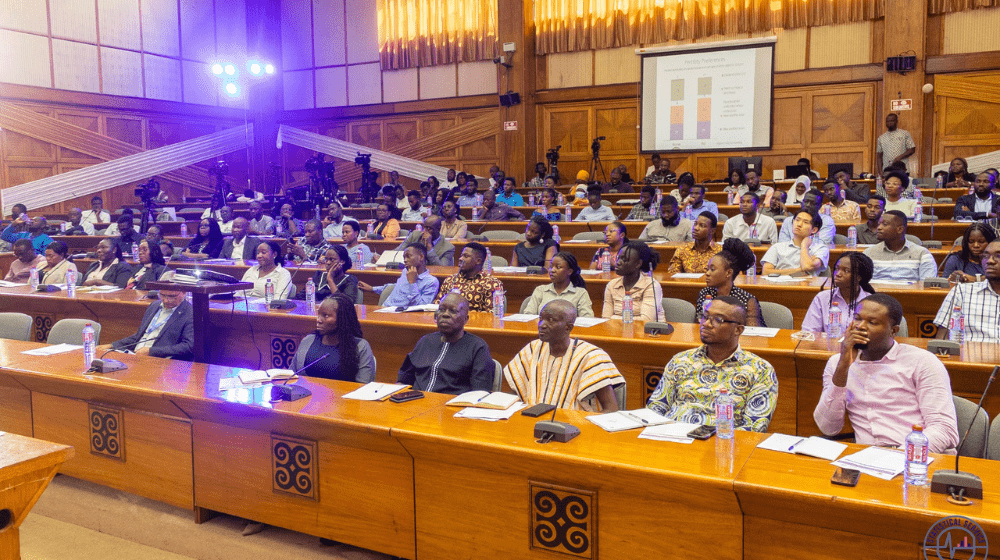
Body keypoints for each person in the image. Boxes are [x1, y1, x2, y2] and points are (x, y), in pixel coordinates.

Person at [814, 294, 958, 452]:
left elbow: (944, 429)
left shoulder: (922, 362)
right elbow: (828, 427)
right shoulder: (837, 363)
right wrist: (843, 367)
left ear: (893, 331)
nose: (860, 326)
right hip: (866, 457)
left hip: (915, 458)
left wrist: (901, 455)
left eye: (872, 322)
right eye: (857, 318)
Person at [647, 295, 777, 431]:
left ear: (738, 330)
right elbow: (654, 410)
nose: (706, 324)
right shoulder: (681, 360)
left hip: (722, 445)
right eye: (705, 316)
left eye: (718, 320)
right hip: (671, 439)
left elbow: (753, 429)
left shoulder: (760, 370)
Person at [505, 300, 623, 412]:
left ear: (568, 328)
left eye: (551, 320)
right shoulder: (531, 349)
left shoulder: (591, 357)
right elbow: (514, 396)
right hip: (532, 423)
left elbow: (611, 409)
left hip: (575, 427)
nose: (542, 325)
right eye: (541, 319)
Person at [397, 293, 494, 394]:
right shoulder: (425, 341)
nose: (445, 314)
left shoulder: (477, 347)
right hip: (415, 403)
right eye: (441, 309)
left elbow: (480, 393)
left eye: (452, 311)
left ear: (465, 319)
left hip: (452, 406)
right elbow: (403, 380)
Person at [292, 294, 375, 382]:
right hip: (308, 395)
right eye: (318, 314)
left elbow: (363, 389)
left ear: (342, 319)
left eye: (326, 315)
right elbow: (291, 377)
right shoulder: (308, 341)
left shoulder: (360, 347)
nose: (319, 320)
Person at [96, 288, 193, 360]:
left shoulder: (190, 312)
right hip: (135, 355)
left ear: (183, 292)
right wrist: (112, 345)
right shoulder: (154, 306)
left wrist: (151, 351)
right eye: (162, 295)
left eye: (172, 296)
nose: (166, 300)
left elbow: (188, 346)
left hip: (162, 361)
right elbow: (138, 336)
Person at [934, 240, 1000, 342]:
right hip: (969, 355)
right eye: (985, 256)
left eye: (998, 256)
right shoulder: (961, 291)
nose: (989, 261)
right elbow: (942, 340)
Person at [801, 252, 876, 335]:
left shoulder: (871, 302)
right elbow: (808, 333)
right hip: (827, 346)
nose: (838, 274)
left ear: (859, 277)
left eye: (846, 270)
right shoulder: (822, 298)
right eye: (837, 269)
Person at [696, 239, 766, 326]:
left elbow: (752, 335)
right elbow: (700, 325)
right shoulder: (704, 294)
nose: (707, 273)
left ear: (728, 273)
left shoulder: (747, 300)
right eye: (707, 269)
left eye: (712, 269)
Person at [863, 210, 936, 282]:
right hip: (876, 293)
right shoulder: (868, 254)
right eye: (879, 224)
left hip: (909, 293)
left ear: (900, 229)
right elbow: (861, 284)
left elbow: (927, 286)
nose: (879, 228)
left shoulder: (922, 254)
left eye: (885, 224)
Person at [358, 243, 439, 307]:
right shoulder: (405, 271)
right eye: (404, 257)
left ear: (421, 257)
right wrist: (372, 288)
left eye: (408, 256)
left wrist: (412, 283)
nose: (405, 260)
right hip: (386, 309)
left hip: (403, 316)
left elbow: (421, 307)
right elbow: (397, 287)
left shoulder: (431, 282)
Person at [602, 241, 664, 321]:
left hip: (647, 332)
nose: (618, 262)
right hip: (619, 331)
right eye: (619, 258)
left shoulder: (651, 285)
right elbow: (605, 319)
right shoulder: (612, 285)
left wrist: (614, 318)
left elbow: (646, 320)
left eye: (625, 260)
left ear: (638, 264)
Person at [434, 243, 504, 312]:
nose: (461, 259)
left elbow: (491, 315)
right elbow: (437, 306)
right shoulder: (450, 280)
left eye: (466, 256)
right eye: (461, 255)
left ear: (478, 261)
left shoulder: (491, 283)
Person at [523, 252, 594, 317]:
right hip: (543, 329)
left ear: (569, 271)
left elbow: (587, 319)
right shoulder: (540, 290)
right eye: (551, 267)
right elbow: (528, 316)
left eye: (558, 267)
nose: (552, 270)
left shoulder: (580, 293)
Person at [761, 208, 829, 276]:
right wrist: (799, 270)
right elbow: (766, 272)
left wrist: (804, 246)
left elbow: (807, 266)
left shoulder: (820, 249)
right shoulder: (777, 247)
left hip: (806, 285)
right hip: (779, 285)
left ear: (814, 230)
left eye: (805, 222)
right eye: (797, 220)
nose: (799, 224)